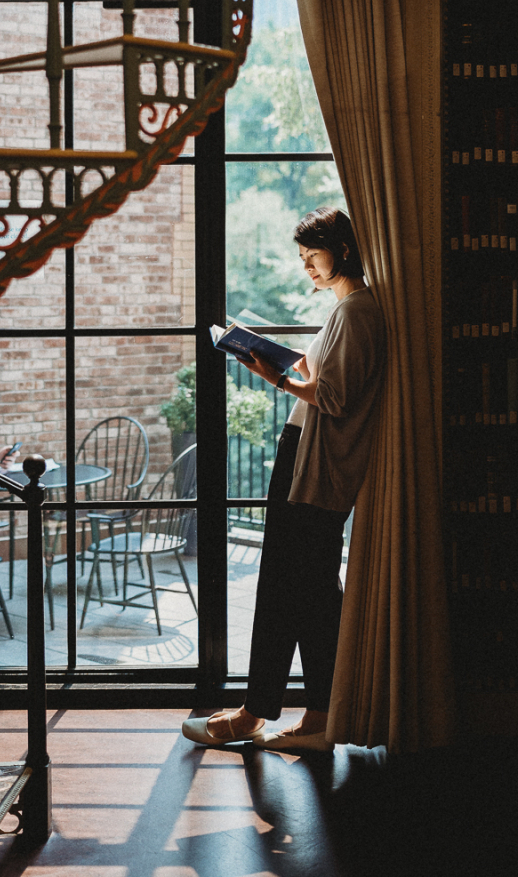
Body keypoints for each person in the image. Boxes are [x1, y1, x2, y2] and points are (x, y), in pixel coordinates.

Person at [182, 206, 385, 753]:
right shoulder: (348, 310)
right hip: (310, 463)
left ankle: (256, 714)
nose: (307, 268)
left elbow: (335, 398)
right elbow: (330, 381)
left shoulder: (357, 311)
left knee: (284, 587)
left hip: (313, 468)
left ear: (342, 250)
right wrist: (289, 364)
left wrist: (274, 376)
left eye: (312, 256)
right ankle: (315, 715)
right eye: (301, 258)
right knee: (313, 593)